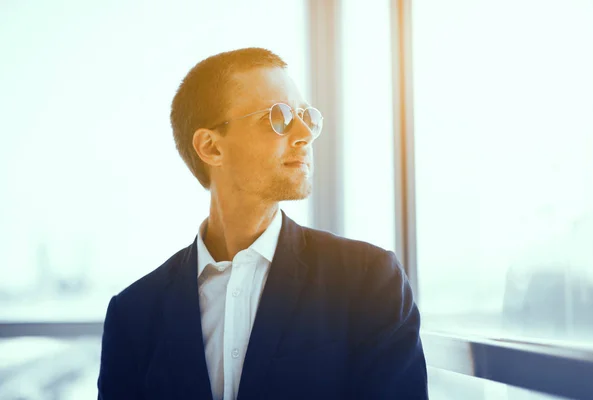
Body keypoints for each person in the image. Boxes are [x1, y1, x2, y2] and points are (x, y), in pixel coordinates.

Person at [97, 47, 428, 400]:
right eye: (279, 117)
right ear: (210, 147)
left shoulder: (370, 281)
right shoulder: (133, 315)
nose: (305, 133)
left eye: (307, 116)